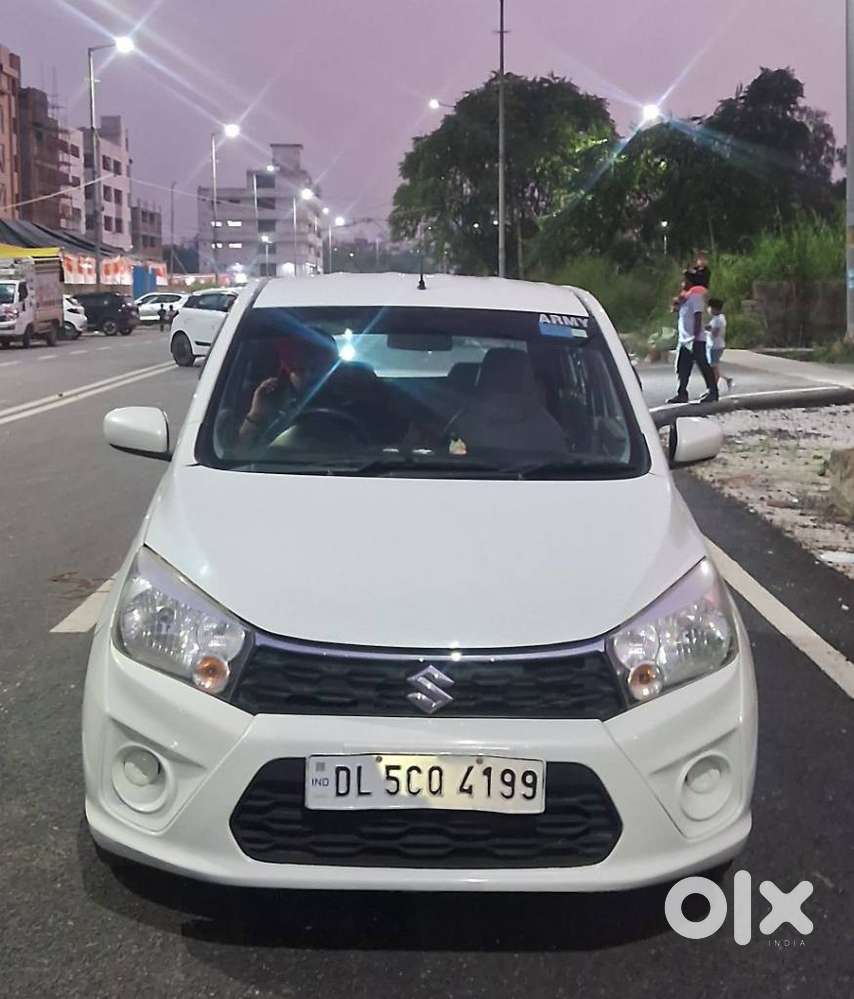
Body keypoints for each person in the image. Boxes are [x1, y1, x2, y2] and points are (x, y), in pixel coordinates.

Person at [666, 272, 718, 404]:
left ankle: (713, 391)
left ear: (690, 282)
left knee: (703, 365)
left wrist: (695, 336)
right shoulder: (685, 298)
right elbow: (674, 310)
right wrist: (677, 301)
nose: (682, 284)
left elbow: (698, 316)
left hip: (695, 339)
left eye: (684, 281)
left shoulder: (696, 297)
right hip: (683, 340)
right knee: (681, 367)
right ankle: (681, 393)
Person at [706, 298, 732, 392]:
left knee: (713, 368)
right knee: (714, 367)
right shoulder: (720, 318)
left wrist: (707, 329)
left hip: (715, 346)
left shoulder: (717, 320)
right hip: (716, 345)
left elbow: (715, 333)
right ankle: (726, 380)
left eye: (709, 307)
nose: (708, 310)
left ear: (714, 308)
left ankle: (713, 388)